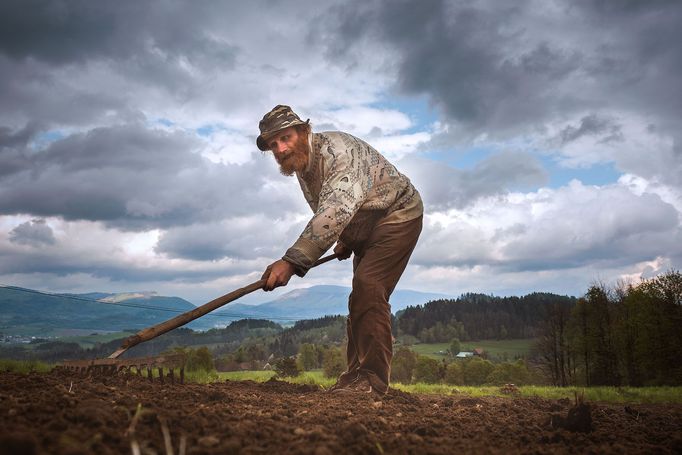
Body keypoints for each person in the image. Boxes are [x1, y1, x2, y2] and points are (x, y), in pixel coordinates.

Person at [257, 105, 423, 396]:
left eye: (285, 138)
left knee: (368, 286)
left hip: (397, 214)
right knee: (360, 297)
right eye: (273, 145)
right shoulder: (303, 162)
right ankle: (356, 376)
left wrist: (292, 261)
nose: (280, 149)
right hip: (369, 223)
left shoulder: (338, 153)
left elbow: (335, 209)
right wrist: (347, 238)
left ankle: (372, 381)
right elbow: (338, 205)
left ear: (304, 131)